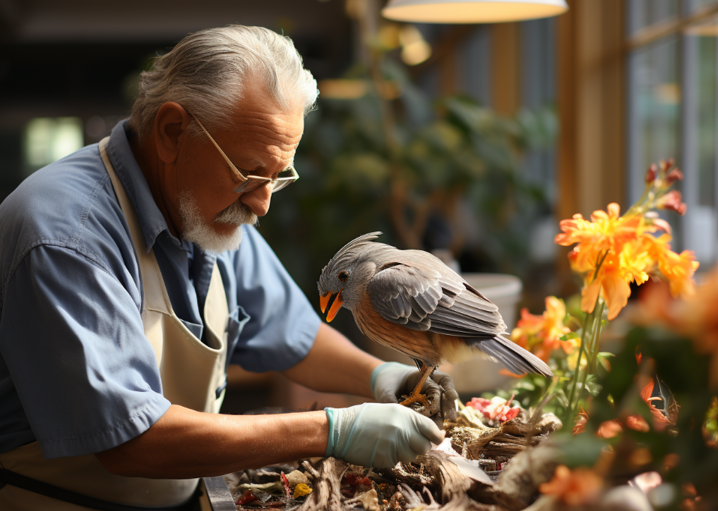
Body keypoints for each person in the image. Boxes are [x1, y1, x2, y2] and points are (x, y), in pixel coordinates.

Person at [0, 26, 458, 511]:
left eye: (278, 177)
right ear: (173, 132)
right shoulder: (65, 236)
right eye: (249, 174)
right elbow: (129, 440)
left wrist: (384, 377)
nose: (262, 205)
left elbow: (294, 336)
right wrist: (332, 430)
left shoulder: (208, 208)